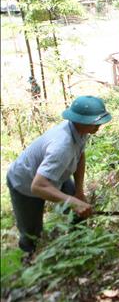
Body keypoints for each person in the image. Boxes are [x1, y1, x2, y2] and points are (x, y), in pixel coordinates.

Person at [6, 96, 112, 254]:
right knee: (31, 234)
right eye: (94, 122)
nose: (99, 125)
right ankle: (31, 263)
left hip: (57, 177)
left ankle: (81, 250)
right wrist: (73, 202)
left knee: (79, 214)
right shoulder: (62, 145)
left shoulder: (80, 131)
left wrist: (79, 192)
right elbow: (38, 186)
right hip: (24, 183)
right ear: (80, 121)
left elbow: (80, 156)